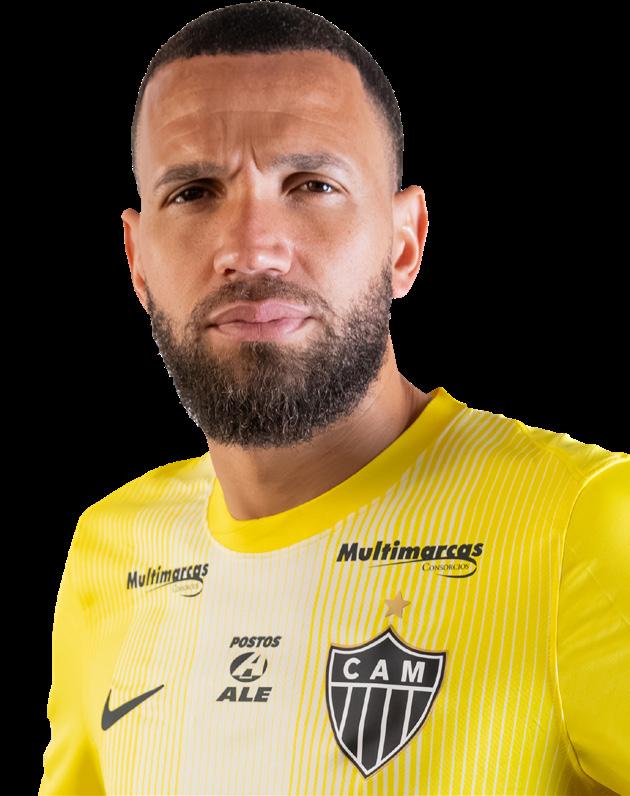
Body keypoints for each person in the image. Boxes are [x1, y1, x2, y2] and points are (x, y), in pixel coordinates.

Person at [40, 3, 629, 795]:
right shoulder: (111, 550)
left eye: (312, 185)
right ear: (137, 260)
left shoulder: (586, 522)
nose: (251, 248)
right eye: (194, 192)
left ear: (404, 244)